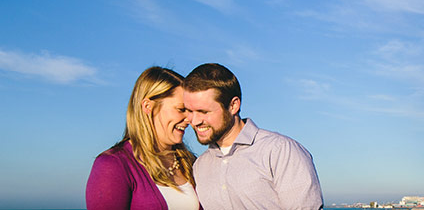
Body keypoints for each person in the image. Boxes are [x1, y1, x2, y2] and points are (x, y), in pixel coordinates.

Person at [183, 63, 323, 210]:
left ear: (233, 106)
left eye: (203, 111)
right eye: (189, 111)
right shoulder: (200, 166)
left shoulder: (279, 151)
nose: (194, 121)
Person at [86, 66, 200, 210]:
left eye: (190, 111)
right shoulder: (113, 165)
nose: (189, 119)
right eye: (181, 109)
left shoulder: (192, 164)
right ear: (148, 106)